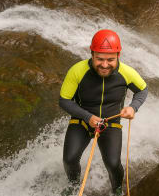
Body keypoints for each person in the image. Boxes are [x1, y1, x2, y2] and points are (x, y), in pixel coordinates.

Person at [59, 29, 148, 195]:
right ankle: (73, 186)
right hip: (82, 120)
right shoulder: (77, 71)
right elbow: (64, 100)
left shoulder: (127, 73)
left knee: (113, 163)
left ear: (118, 55)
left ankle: (117, 190)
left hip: (111, 122)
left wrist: (133, 107)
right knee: (69, 159)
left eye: (110, 60)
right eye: (99, 59)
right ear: (92, 54)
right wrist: (88, 117)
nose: (105, 65)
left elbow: (142, 91)